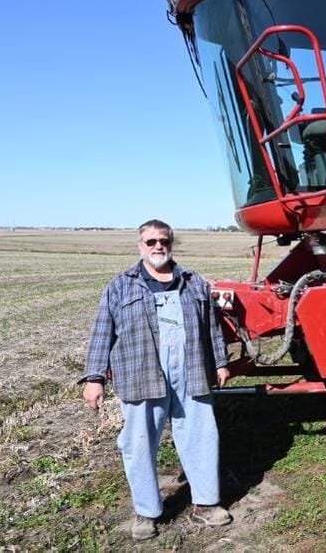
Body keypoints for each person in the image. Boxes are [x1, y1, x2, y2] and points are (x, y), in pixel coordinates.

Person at [80, 219, 232, 541]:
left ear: (171, 244)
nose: (158, 246)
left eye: (164, 241)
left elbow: (212, 327)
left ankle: (205, 503)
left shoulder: (193, 282)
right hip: (141, 373)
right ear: (141, 246)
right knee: (138, 443)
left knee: (201, 436)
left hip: (191, 370)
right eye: (151, 242)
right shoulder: (120, 286)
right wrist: (94, 378)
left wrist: (220, 362)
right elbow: (101, 334)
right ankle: (147, 511)